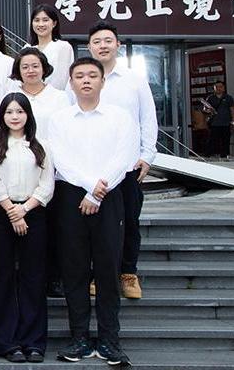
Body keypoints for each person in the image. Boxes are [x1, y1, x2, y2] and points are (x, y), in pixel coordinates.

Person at [47, 57, 138, 366]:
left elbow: (124, 158)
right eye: (79, 76)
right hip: (72, 197)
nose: (86, 80)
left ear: (102, 81)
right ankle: (80, 338)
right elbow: (61, 158)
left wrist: (97, 193)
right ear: (71, 83)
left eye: (92, 75)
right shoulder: (60, 119)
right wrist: (90, 188)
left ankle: (110, 340)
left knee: (108, 270)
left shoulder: (120, 117)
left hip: (110, 196)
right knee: (74, 271)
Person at [86, 21, 158, 300]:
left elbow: (147, 119)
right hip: (93, 167)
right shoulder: (81, 78)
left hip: (128, 166)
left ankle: (128, 273)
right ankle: (99, 274)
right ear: (89, 47)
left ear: (117, 44)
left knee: (129, 220)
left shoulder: (133, 80)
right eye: (96, 42)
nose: (102, 46)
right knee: (95, 223)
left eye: (107, 41)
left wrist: (147, 156)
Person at [0, 93, 54, 363]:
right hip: (1, 212)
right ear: (2, 116)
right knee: (2, 276)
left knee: (33, 277)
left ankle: (33, 342)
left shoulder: (41, 145)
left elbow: (47, 185)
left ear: (28, 115)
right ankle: (7, 342)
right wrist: (12, 211)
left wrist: (24, 210)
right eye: (9, 112)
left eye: (20, 112)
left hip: (33, 213)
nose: (15, 117)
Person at [9, 48, 71, 141]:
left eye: (35, 66)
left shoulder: (60, 97)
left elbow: (66, 130)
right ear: (18, 71)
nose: (30, 70)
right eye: (25, 67)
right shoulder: (10, 97)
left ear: (44, 69)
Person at [27, 4, 74, 91]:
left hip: (55, 95)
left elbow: (62, 79)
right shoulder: (27, 48)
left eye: (45, 20)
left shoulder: (63, 47)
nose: (41, 24)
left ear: (54, 23)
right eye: (37, 20)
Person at [205, 81, 234, 157]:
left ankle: (225, 156)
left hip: (226, 123)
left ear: (223, 88)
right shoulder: (210, 98)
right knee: (212, 141)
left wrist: (233, 122)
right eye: (216, 87)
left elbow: (232, 110)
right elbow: (205, 109)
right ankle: (211, 156)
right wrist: (208, 110)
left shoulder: (228, 98)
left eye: (220, 87)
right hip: (214, 123)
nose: (218, 88)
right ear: (214, 88)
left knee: (225, 141)